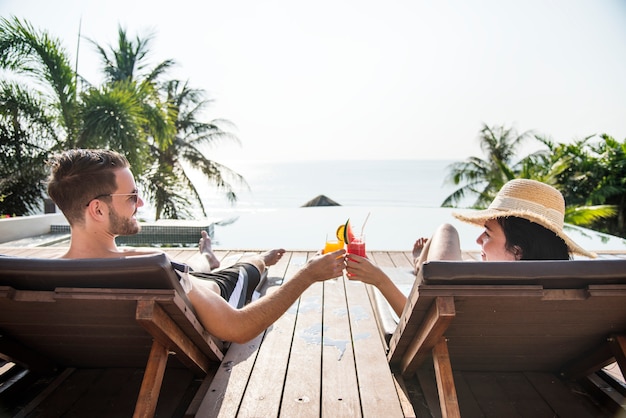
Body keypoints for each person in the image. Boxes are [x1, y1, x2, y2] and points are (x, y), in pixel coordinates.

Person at [46, 148, 346, 344]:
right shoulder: (151, 268)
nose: (140, 203)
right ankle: (250, 261)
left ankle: (206, 257)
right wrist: (307, 274)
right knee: (249, 265)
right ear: (98, 210)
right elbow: (239, 327)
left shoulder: (42, 277)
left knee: (192, 269)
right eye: (131, 196)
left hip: (188, 280)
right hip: (220, 289)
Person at [345, 179, 596, 317]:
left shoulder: (480, 293)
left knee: (445, 235)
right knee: (446, 233)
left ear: (518, 251)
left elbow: (418, 326)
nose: (477, 241)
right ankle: (422, 265)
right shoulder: (574, 293)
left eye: (487, 233)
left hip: (451, 324)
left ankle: (421, 266)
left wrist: (380, 280)